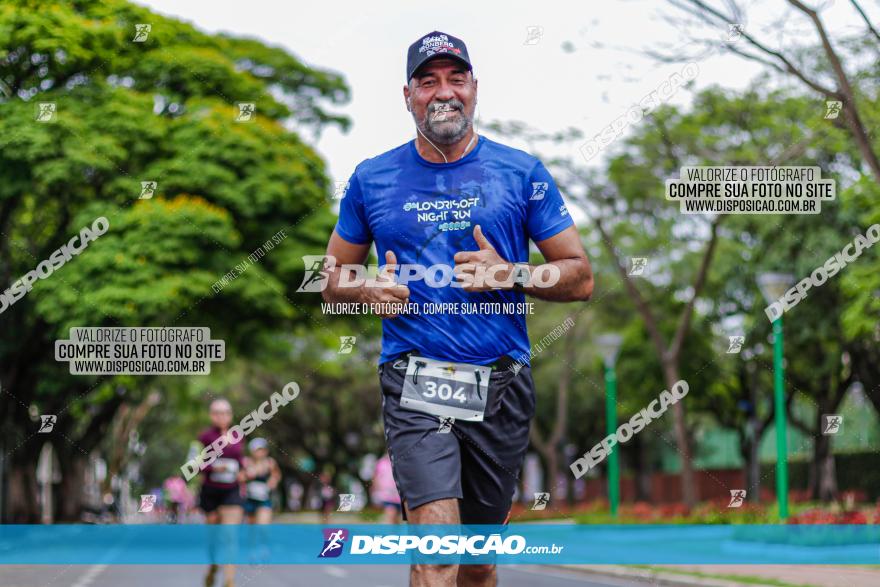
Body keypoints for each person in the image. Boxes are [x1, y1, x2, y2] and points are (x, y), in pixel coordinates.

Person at [321, 30, 593, 587]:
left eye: (455, 78)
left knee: (476, 565)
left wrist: (512, 273)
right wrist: (364, 288)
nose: (443, 92)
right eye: (428, 81)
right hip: (414, 380)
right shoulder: (371, 178)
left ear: (474, 89)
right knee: (439, 552)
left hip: (502, 384)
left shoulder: (520, 172)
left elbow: (580, 276)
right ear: (407, 96)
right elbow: (326, 276)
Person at [197, 398, 245, 587]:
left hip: (232, 492)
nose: (221, 416)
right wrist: (213, 468)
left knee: (230, 535)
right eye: (217, 413)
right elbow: (194, 463)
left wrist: (242, 471)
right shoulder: (204, 437)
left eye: (225, 412)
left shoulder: (238, 436)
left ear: (231, 415)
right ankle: (213, 566)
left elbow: (241, 461)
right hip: (210, 492)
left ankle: (229, 581)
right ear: (211, 415)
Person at [242, 438, 281, 524]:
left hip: (264, 499)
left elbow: (277, 475)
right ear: (252, 451)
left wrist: (273, 481)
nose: (260, 452)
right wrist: (247, 476)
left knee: (262, 527)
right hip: (248, 499)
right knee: (251, 529)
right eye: (258, 450)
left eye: (263, 450)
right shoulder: (246, 462)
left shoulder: (270, 462)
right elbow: (240, 477)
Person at [372, 452, 402, 524]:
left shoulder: (400, 461)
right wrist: (376, 490)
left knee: (397, 519)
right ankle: (392, 533)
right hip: (387, 496)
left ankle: (396, 532)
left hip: (399, 496)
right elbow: (376, 477)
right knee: (391, 515)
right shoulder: (381, 463)